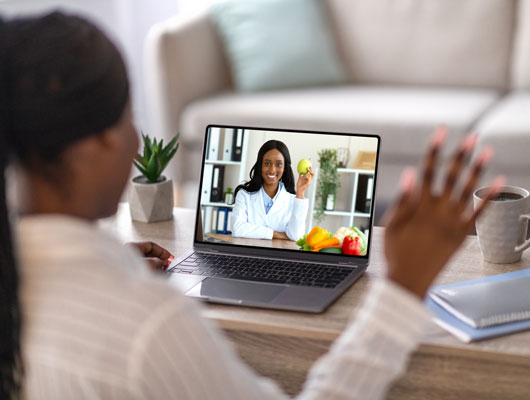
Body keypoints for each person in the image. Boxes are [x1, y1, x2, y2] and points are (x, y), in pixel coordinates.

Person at [0, 11, 502, 400]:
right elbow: (263, 237)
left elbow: (295, 235)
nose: (138, 141)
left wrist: (111, 263)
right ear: (96, 143)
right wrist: (401, 290)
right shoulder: (149, 327)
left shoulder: (23, 281)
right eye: (131, 116)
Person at [231, 140, 313, 241]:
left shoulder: (293, 200)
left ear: (284, 168)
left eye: (278, 164)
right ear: (260, 165)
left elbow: (296, 236)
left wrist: (300, 192)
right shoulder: (244, 195)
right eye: (267, 163)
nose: (272, 170)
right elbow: (237, 229)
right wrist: (274, 234)